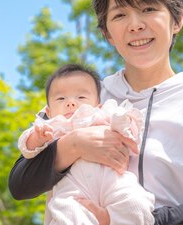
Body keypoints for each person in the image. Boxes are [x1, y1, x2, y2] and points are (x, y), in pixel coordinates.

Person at [8, 0, 183, 225]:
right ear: (107, 33)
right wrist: (74, 145)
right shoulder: (86, 95)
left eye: (148, 9)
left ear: (177, 20)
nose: (135, 25)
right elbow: (20, 184)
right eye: (120, 15)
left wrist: (136, 221)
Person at [17, 63, 155, 225]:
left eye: (81, 97)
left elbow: (131, 135)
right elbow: (27, 150)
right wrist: (36, 138)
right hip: (73, 189)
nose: (70, 103)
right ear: (48, 111)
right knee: (67, 213)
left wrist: (122, 121)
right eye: (61, 98)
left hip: (113, 180)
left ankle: (116, 220)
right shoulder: (51, 126)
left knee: (136, 204)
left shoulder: (104, 115)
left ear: (99, 105)